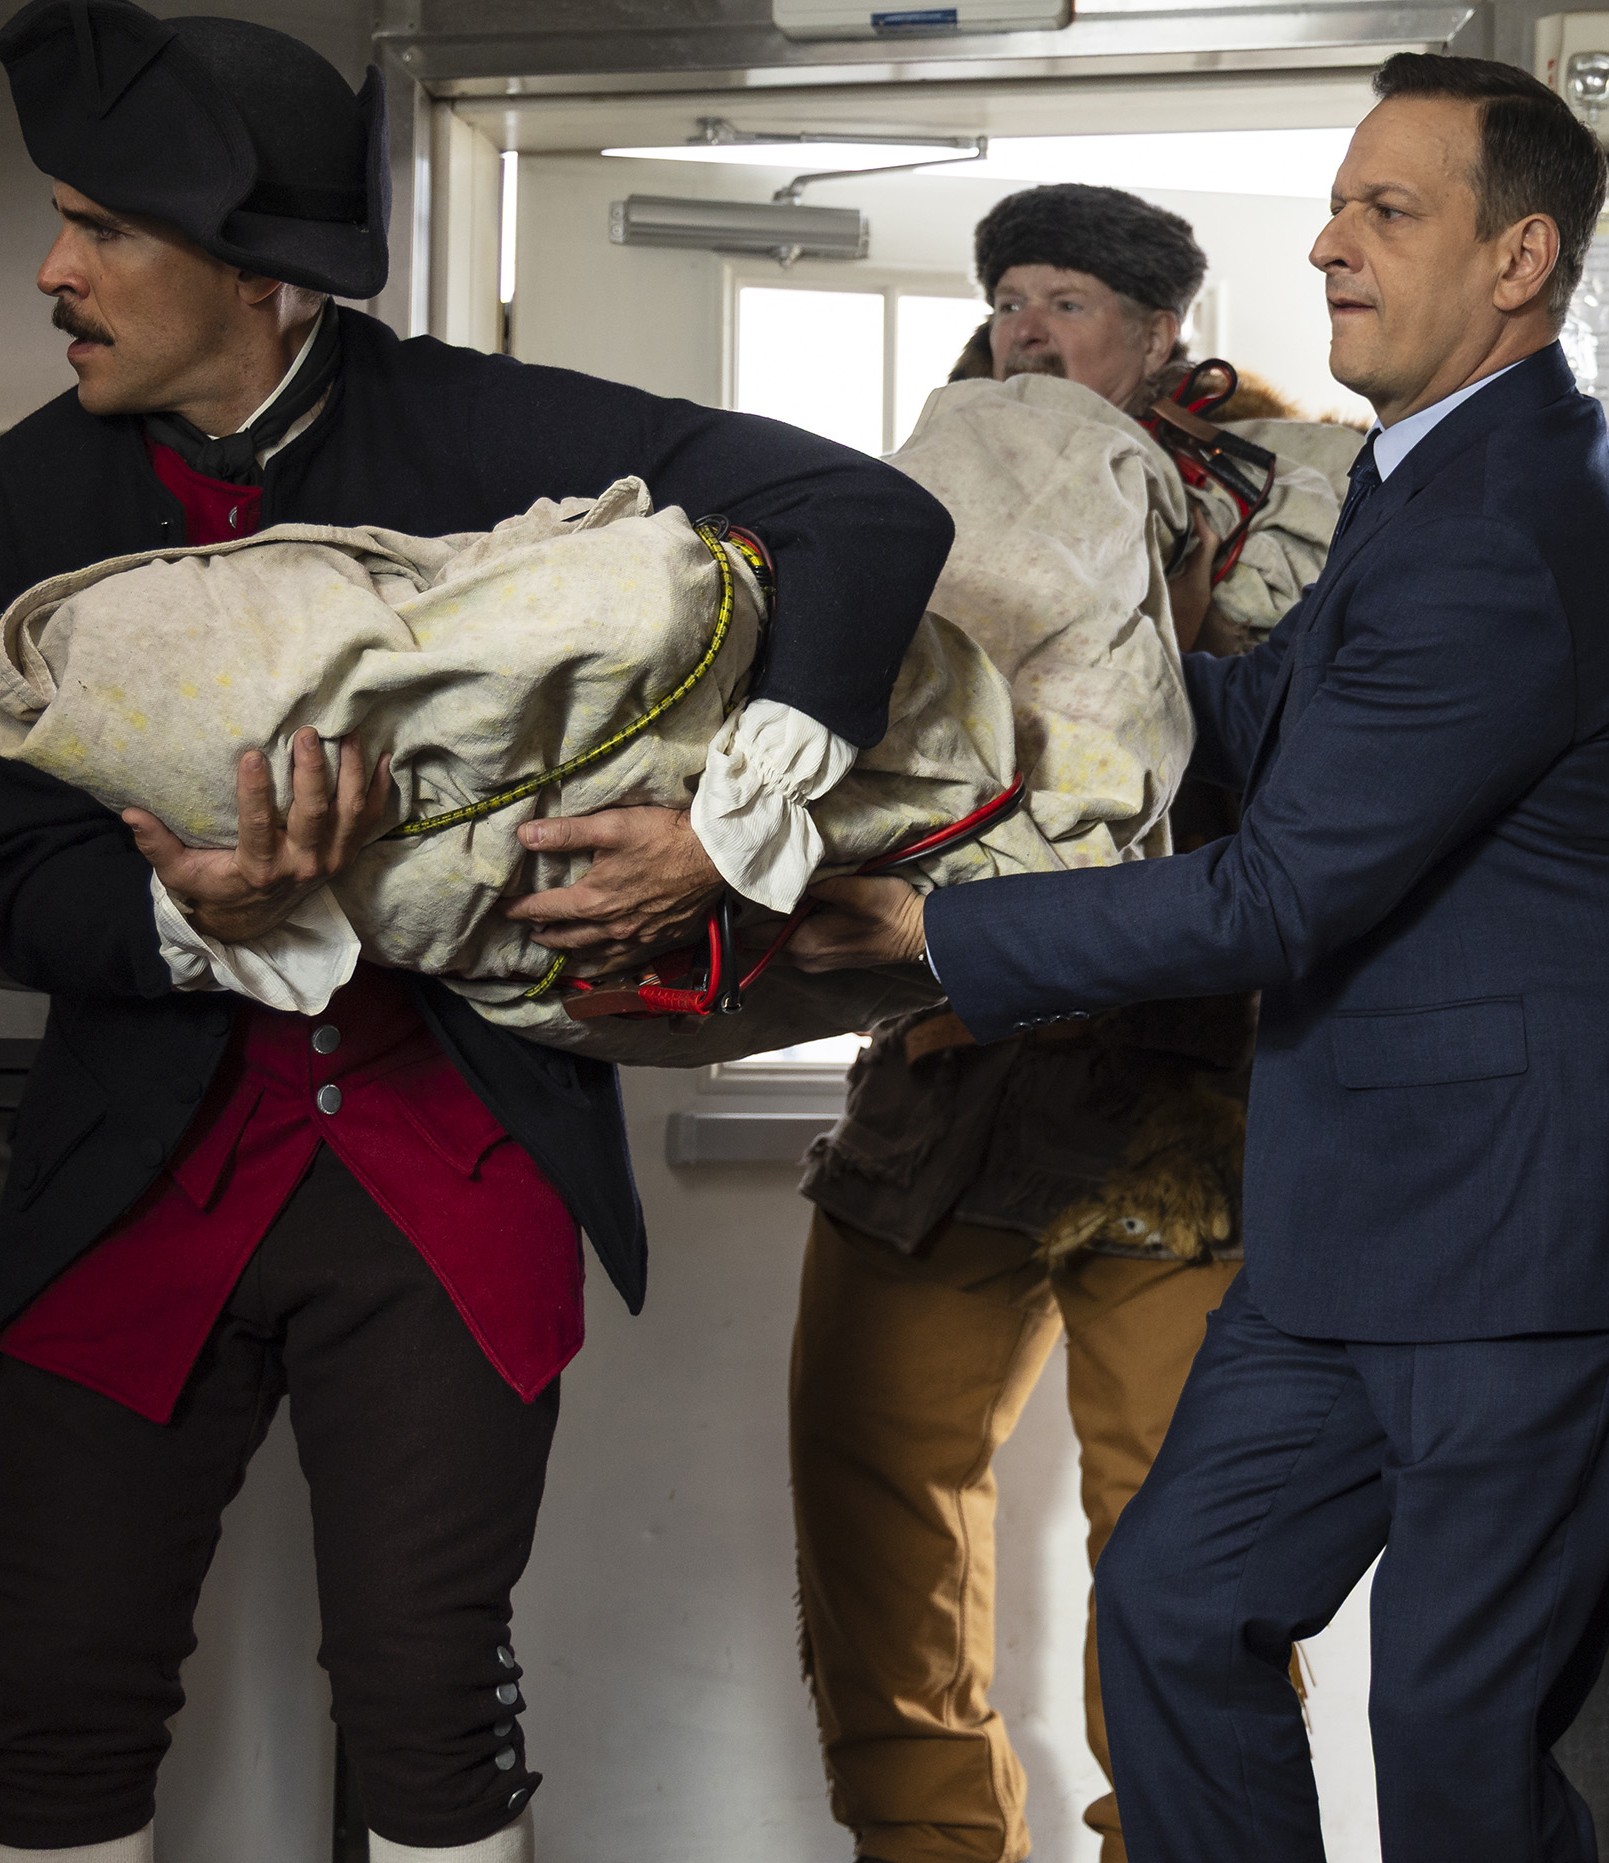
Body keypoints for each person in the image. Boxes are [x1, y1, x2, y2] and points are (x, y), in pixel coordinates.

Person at [0, 5, 953, 1862]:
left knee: (435, 1704)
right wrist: (176, 913)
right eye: (62, 222)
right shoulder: (21, 504)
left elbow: (861, 510)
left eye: (103, 227)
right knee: (52, 1699)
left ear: (263, 272)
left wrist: (727, 829)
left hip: (445, 1179)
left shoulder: (486, 427)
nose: (57, 271)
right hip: (130, 1184)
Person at [792, 51, 1609, 1862]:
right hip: (1341, 1237)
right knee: (1174, 1611)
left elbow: (1276, 897)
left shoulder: (1510, 524)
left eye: (1384, 210)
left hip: (1506, 1242)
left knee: (1454, 1739)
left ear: (1518, 258)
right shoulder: (1421, 475)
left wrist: (935, 926)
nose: (1326, 244)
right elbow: (1247, 722)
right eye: (1332, 205)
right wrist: (989, 696)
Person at [789, 185, 1325, 1863]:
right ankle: (925, 1849)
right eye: (1010, 297)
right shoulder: (911, 506)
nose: (1027, 329)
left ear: (1161, 332)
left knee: (1184, 1547)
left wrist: (1179, 601)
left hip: (1181, 1103)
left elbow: (1313, 814)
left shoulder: (1276, 506)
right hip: (938, 1094)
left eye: (1069, 301)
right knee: (872, 1506)